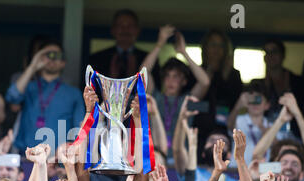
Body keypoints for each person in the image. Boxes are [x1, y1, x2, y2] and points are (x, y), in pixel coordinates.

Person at [5, 38, 85, 154]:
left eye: (57, 55)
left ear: (63, 62)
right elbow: (12, 98)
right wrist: (33, 65)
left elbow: (80, 130)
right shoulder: (28, 87)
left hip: (59, 161)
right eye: (47, 54)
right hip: (27, 157)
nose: (52, 58)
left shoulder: (73, 93)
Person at [141, 26, 210, 158]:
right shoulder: (154, 97)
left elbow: (205, 82)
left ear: (184, 81)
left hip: (180, 161)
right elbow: (143, 73)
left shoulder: (188, 101)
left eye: (176, 76)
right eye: (167, 76)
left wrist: (183, 52)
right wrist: (159, 44)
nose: (170, 80)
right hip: (154, 158)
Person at [88, 9, 161, 89]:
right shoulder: (98, 58)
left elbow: (156, 91)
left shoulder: (148, 59)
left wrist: (134, 75)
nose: (125, 30)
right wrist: (111, 77)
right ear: (113, 30)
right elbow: (91, 89)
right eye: (120, 25)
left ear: (137, 30)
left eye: (130, 26)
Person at [261, 39, 304, 139]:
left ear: (283, 55)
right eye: (267, 52)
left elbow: (302, 111)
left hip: (294, 134)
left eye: (274, 51)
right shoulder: (258, 83)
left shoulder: (297, 81)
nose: (270, 55)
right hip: (265, 135)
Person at [197, 29, 243, 129]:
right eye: (213, 45)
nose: (216, 49)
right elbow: (190, 103)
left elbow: (237, 104)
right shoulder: (196, 72)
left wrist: (225, 77)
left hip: (225, 128)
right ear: (206, 48)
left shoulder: (233, 74)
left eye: (221, 46)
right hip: (199, 127)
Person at [227, 80, 275, 166]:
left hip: (264, 172)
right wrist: (238, 106)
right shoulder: (238, 120)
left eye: (258, 99)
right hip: (238, 170)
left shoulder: (272, 125)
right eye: (252, 99)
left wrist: (266, 132)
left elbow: (278, 146)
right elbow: (230, 125)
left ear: (267, 105)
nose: (255, 103)